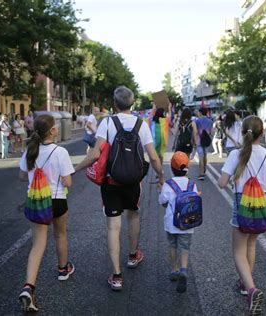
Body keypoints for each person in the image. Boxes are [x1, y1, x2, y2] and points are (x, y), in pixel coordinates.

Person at [75, 86, 164, 291]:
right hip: (133, 182)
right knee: (133, 215)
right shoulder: (141, 125)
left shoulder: (107, 122)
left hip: (110, 181)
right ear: (132, 104)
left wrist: (75, 169)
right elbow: (152, 156)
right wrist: (161, 176)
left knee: (113, 227)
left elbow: (95, 154)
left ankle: (116, 276)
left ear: (115, 104)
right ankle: (133, 256)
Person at [218, 115, 266, 315]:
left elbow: (221, 182)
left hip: (242, 204)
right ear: (262, 133)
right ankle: (246, 284)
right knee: (252, 245)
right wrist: (260, 185)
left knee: (238, 250)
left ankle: (251, 289)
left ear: (243, 132)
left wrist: (240, 183)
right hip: (262, 203)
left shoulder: (236, 154)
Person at [18, 114, 75, 312]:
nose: (58, 126)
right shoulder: (60, 152)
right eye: (56, 124)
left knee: (38, 244)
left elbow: (21, 176)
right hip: (57, 200)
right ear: (51, 130)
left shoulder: (30, 150)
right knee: (60, 235)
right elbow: (68, 182)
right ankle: (63, 269)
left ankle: (28, 287)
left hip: (36, 201)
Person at [158, 151, 199, 293]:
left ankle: (174, 270)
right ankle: (183, 270)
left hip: (171, 223)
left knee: (172, 245)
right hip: (187, 223)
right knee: (185, 247)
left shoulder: (168, 185)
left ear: (172, 168)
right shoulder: (192, 184)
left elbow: (162, 202)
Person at [195, 107, 213, 180]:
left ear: (200, 112)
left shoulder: (197, 121)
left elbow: (196, 132)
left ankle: (201, 173)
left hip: (199, 141)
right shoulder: (210, 121)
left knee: (200, 157)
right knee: (205, 156)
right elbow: (211, 132)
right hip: (206, 140)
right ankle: (205, 169)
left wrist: (193, 140)